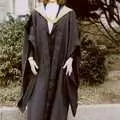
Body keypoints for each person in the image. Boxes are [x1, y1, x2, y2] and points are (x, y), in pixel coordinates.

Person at [17, 0, 81, 120]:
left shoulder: (68, 14)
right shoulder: (37, 14)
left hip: (60, 70)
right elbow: (30, 39)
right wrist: (30, 58)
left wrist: (71, 59)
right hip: (41, 69)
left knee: (58, 107)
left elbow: (74, 39)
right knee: (37, 107)